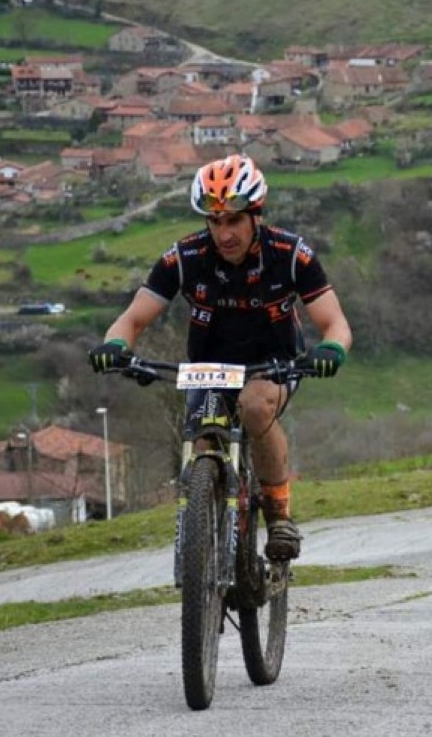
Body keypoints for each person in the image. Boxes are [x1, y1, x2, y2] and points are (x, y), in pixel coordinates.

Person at [88, 154, 352, 561]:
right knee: (201, 432)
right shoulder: (185, 258)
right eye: (214, 222)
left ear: (255, 216)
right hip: (208, 368)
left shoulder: (290, 253)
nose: (224, 233)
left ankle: (279, 514)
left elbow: (336, 323)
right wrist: (116, 346)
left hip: (273, 363)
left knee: (253, 406)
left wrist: (330, 349)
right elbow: (133, 318)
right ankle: (204, 535)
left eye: (233, 220)